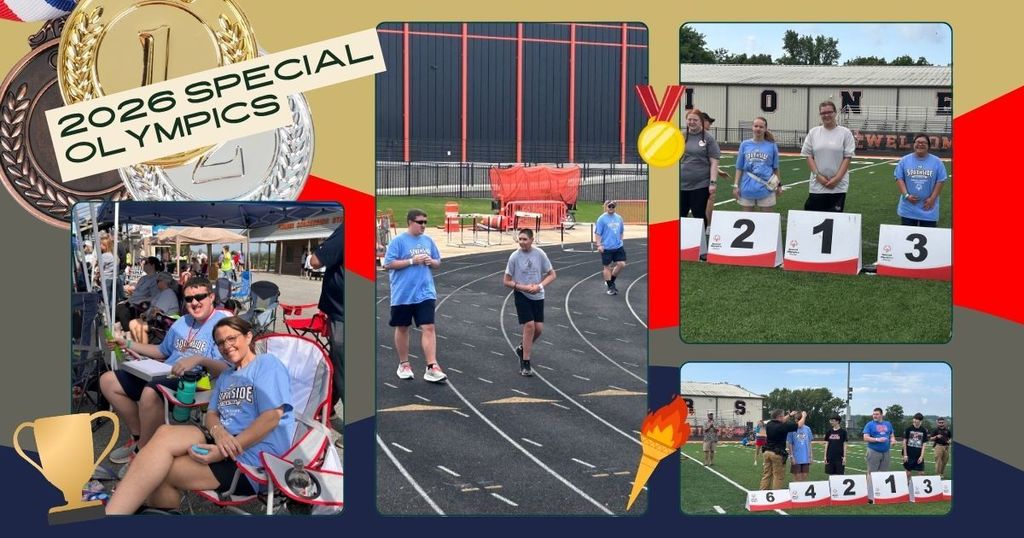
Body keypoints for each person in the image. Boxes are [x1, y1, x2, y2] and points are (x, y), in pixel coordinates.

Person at [105, 316, 294, 515]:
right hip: (223, 441)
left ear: (248, 337)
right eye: (220, 343)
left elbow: (271, 416)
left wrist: (223, 451)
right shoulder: (226, 376)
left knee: (161, 472)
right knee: (164, 433)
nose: (226, 346)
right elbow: (211, 414)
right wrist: (218, 432)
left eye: (232, 338)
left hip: (253, 460)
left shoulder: (266, 364)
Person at [101, 277, 231, 472]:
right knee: (108, 380)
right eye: (189, 299)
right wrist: (127, 344)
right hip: (165, 372)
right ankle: (139, 437)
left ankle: (143, 453)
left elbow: (227, 368)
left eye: (200, 297)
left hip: (195, 381)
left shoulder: (222, 324)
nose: (194, 303)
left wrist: (199, 359)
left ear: (211, 297)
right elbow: (161, 351)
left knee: (150, 393)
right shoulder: (182, 322)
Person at [384, 209, 447, 383]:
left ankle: (432, 366)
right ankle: (404, 363)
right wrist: (412, 261)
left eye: (425, 222)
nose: (424, 226)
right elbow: (388, 264)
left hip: (425, 292)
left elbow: (438, 261)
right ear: (410, 222)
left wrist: (430, 262)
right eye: (420, 222)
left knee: (428, 327)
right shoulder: (398, 242)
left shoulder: (428, 241)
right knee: (403, 327)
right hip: (403, 294)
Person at [503, 228, 556, 377]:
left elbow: (552, 274)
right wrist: (522, 287)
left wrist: (539, 286)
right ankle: (525, 362)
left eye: (525, 239)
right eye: (520, 239)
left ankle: (521, 347)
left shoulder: (540, 254)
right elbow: (506, 281)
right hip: (521, 294)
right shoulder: (514, 257)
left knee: (538, 329)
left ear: (532, 240)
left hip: (538, 295)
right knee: (529, 325)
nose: (522, 242)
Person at [310, 222, 345, 413]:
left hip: (342, 312)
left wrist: (322, 246)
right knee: (336, 364)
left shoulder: (350, 226)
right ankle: (325, 409)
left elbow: (316, 260)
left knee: (345, 368)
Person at [802, 100, 856, 213]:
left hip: (838, 185)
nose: (826, 115)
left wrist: (837, 179)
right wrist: (818, 177)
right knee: (812, 215)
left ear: (835, 113)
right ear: (820, 114)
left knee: (834, 218)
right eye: (823, 113)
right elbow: (808, 155)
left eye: (829, 112)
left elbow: (847, 157)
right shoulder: (813, 132)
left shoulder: (845, 133)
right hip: (817, 184)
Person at [679, 107, 721, 226]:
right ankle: (680, 242)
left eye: (695, 120)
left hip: (700, 184)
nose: (692, 122)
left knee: (698, 213)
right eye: (689, 119)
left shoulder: (708, 138)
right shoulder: (681, 136)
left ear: (701, 121)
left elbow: (714, 162)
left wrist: (713, 182)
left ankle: (701, 240)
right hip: (681, 184)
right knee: (680, 214)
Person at [894, 134, 948, 227]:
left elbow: (940, 180)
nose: (920, 144)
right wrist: (906, 195)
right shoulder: (904, 160)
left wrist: (932, 199)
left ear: (928, 146)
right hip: (908, 207)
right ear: (913, 144)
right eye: (918, 142)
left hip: (928, 207)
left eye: (924, 142)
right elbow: (899, 178)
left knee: (929, 236)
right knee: (907, 237)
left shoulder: (937, 162)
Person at [734, 116, 783, 212]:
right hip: (747, 188)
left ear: (765, 129)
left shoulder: (772, 145)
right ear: (752, 127)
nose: (758, 129)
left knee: (766, 220)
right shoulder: (744, 144)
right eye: (756, 126)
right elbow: (739, 167)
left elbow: (775, 168)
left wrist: (779, 185)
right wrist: (736, 186)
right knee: (747, 219)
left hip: (766, 189)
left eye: (761, 127)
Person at [128, 272, 180, 345]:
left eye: (158, 281)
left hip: (165, 322)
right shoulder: (162, 293)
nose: (156, 283)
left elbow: (157, 311)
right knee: (132, 323)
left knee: (140, 326)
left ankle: (144, 350)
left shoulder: (168, 293)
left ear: (163, 281)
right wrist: (145, 314)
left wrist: (146, 316)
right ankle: (138, 347)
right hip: (158, 319)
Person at [760, 410, 806, 490]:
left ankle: (762, 492)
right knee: (778, 476)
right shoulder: (783, 426)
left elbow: (782, 419)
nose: (784, 417)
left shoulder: (769, 424)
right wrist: (804, 416)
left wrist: (789, 415)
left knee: (767, 474)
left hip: (767, 452)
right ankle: (776, 495)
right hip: (777, 453)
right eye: (782, 415)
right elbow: (799, 424)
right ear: (779, 417)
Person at [699, 112, 731, 224]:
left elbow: (707, 159)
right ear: (703, 121)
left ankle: (704, 225)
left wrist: (719, 171)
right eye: (709, 122)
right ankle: (707, 225)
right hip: (703, 176)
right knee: (709, 198)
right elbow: (708, 160)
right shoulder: (706, 138)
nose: (710, 125)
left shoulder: (702, 136)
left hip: (700, 175)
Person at [116, 256, 163, 331]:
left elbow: (154, 297)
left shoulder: (155, 280)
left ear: (153, 265)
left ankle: (128, 335)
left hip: (140, 306)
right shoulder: (143, 278)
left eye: (146, 263)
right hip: (131, 302)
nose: (143, 264)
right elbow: (136, 292)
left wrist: (139, 300)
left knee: (122, 312)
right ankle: (117, 334)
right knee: (115, 309)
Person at [594, 200, 626, 296]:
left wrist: (621, 240)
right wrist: (599, 245)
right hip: (606, 247)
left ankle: (611, 280)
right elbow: (597, 233)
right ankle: (610, 287)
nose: (611, 208)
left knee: (622, 264)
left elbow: (621, 231)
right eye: (609, 206)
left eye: (613, 206)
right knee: (607, 266)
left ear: (615, 207)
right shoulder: (602, 219)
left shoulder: (619, 218)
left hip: (617, 246)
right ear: (606, 207)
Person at [863, 407, 897, 488]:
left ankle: (880, 491)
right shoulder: (869, 424)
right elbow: (865, 438)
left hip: (886, 451)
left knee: (883, 472)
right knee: (871, 472)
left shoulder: (888, 424)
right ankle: (870, 492)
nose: (874, 416)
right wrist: (877, 439)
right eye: (873, 414)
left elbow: (891, 435)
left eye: (877, 414)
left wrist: (893, 440)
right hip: (873, 451)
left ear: (882, 415)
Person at [786, 412, 813, 482]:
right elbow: (790, 444)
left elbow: (809, 443)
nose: (797, 421)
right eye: (796, 420)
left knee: (804, 476)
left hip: (806, 457)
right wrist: (791, 456)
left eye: (798, 420)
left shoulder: (807, 429)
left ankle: (802, 492)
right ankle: (796, 492)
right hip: (796, 457)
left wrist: (810, 456)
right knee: (797, 477)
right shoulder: (792, 429)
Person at [903, 412, 929, 477]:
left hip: (918, 455)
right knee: (908, 473)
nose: (914, 420)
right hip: (909, 454)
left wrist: (921, 456)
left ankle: (918, 487)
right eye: (914, 418)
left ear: (920, 421)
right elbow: (904, 442)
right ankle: (907, 486)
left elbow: (924, 444)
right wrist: (905, 455)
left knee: (921, 473)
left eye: (917, 419)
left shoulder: (923, 430)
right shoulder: (908, 429)